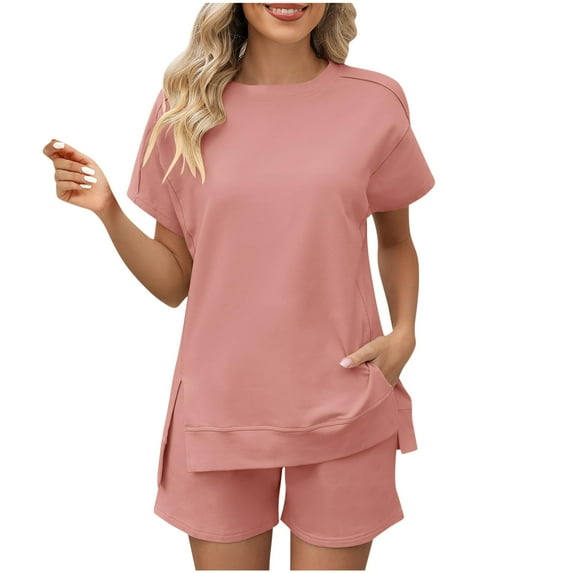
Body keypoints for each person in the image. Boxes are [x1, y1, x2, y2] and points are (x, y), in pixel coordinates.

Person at [42, 2, 435, 570]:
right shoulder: (183, 108)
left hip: (346, 400)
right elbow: (174, 282)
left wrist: (405, 333)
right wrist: (108, 212)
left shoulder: (375, 101)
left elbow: (396, 241)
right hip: (220, 410)